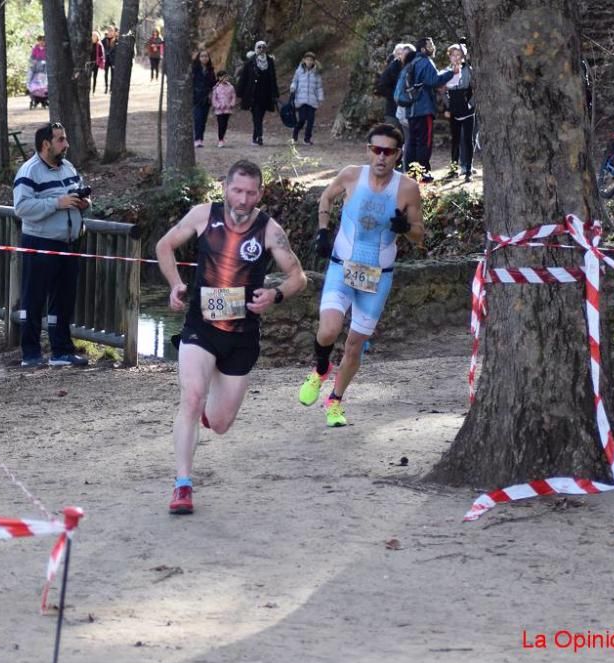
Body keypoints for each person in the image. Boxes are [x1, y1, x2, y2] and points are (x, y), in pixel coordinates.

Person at [155, 160, 308, 514]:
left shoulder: (269, 230)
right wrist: (176, 284)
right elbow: (164, 247)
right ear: (225, 187)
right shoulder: (201, 215)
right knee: (191, 397)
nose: (242, 199)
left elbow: (298, 276)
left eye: (250, 193)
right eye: (237, 191)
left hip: (242, 335)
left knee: (220, 424)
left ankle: (206, 414)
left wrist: (276, 295)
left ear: (260, 193)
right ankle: (182, 485)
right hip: (201, 327)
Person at [297, 124, 424, 426]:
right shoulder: (352, 175)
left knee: (354, 344)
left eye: (388, 151)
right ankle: (320, 369)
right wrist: (324, 232)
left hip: (377, 276)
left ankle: (335, 402)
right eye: (376, 149)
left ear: (398, 155)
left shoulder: (407, 188)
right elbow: (326, 198)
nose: (381, 156)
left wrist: (405, 229)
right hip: (342, 266)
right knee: (328, 330)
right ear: (368, 150)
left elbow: (420, 235)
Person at [13, 123, 91, 369]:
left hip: (69, 242)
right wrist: (57, 203)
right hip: (40, 242)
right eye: (60, 140)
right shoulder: (29, 172)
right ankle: (31, 353)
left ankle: (62, 351)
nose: (66, 144)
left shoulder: (68, 167)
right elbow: (22, 208)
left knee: (64, 299)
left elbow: (80, 194)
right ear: (46, 144)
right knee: (33, 298)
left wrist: (84, 202)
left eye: (65, 139)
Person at [395, 37, 454, 182]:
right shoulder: (425, 62)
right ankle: (423, 172)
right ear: (423, 49)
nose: (433, 47)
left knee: (412, 141)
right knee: (424, 142)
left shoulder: (411, 63)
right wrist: (452, 72)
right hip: (423, 108)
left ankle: (410, 172)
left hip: (411, 110)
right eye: (430, 45)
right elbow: (434, 80)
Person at [442, 43, 475, 182]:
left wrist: (470, 104)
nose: (455, 58)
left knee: (468, 140)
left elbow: (476, 89)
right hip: (453, 110)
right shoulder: (446, 71)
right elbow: (443, 92)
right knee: (455, 139)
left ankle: (468, 169)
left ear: (463, 57)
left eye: (458, 55)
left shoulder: (469, 70)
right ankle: (454, 168)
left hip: (467, 110)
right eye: (453, 55)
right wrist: (447, 108)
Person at [237, 40, 279, 146]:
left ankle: (256, 136)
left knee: (260, 116)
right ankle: (258, 136)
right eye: (259, 47)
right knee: (256, 116)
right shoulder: (250, 62)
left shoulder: (269, 62)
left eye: (263, 47)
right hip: (253, 94)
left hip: (266, 94)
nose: (261, 49)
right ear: (256, 48)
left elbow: (273, 78)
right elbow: (244, 78)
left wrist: (275, 93)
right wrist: (240, 93)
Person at [290, 51, 325, 145]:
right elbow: (295, 81)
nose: (309, 62)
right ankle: (295, 133)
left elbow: (319, 87)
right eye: (307, 60)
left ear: (314, 62)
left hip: (312, 100)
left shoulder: (316, 73)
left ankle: (307, 138)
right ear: (304, 60)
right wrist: (293, 87)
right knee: (302, 119)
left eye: (311, 60)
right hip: (301, 100)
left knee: (310, 120)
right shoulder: (299, 71)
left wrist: (320, 98)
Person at [377, 43, 415, 127]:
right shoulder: (391, 68)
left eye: (403, 53)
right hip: (393, 110)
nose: (401, 56)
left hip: (410, 110)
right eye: (398, 54)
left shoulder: (412, 67)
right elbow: (381, 86)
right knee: (392, 134)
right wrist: (397, 96)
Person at [192, 49, 217, 148]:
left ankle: (201, 138)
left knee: (203, 120)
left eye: (206, 56)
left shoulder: (211, 70)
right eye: (202, 56)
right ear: (198, 58)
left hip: (207, 98)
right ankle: (197, 138)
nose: (204, 58)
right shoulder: (194, 69)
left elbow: (213, 84)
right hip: (196, 97)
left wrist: (212, 93)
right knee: (197, 118)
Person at [211, 70, 237, 147]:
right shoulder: (216, 87)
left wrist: (231, 104)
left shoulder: (231, 87)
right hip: (219, 110)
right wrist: (217, 105)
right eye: (222, 77)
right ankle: (220, 139)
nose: (225, 78)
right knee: (221, 124)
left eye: (226, 77)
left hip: (228, 109)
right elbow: (214, 98)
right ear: (219, 78)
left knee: (225, 124)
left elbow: (233, 96)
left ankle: (222, 137)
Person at [102, 26, 118, 94]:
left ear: (114, 32)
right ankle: (106, 87)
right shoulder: (104, 40)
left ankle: (111, 88)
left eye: (112, 31)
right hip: (106, 59)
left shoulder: (116, 40)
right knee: (106, 74)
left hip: (113, 60)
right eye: (109, 31)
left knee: (113, 74)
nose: (110, 32)